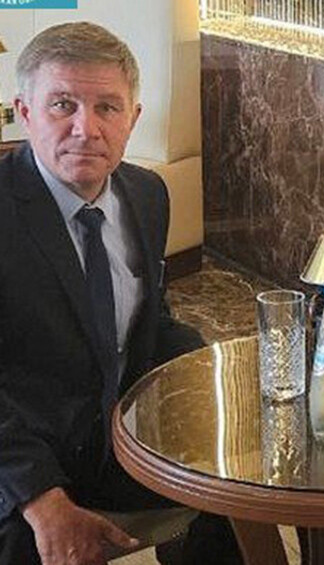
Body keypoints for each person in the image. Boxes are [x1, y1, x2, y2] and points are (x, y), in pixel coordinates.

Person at [0, 22, 240, 565]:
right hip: (19, 461)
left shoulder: (146, 194)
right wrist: (42, 499)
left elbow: (152, 324)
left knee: (237, 497)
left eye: (107, 107)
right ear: (25, 112)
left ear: (133, 117)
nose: (86, 129)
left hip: (122, 440)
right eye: (63, 105)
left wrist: (223, 378)